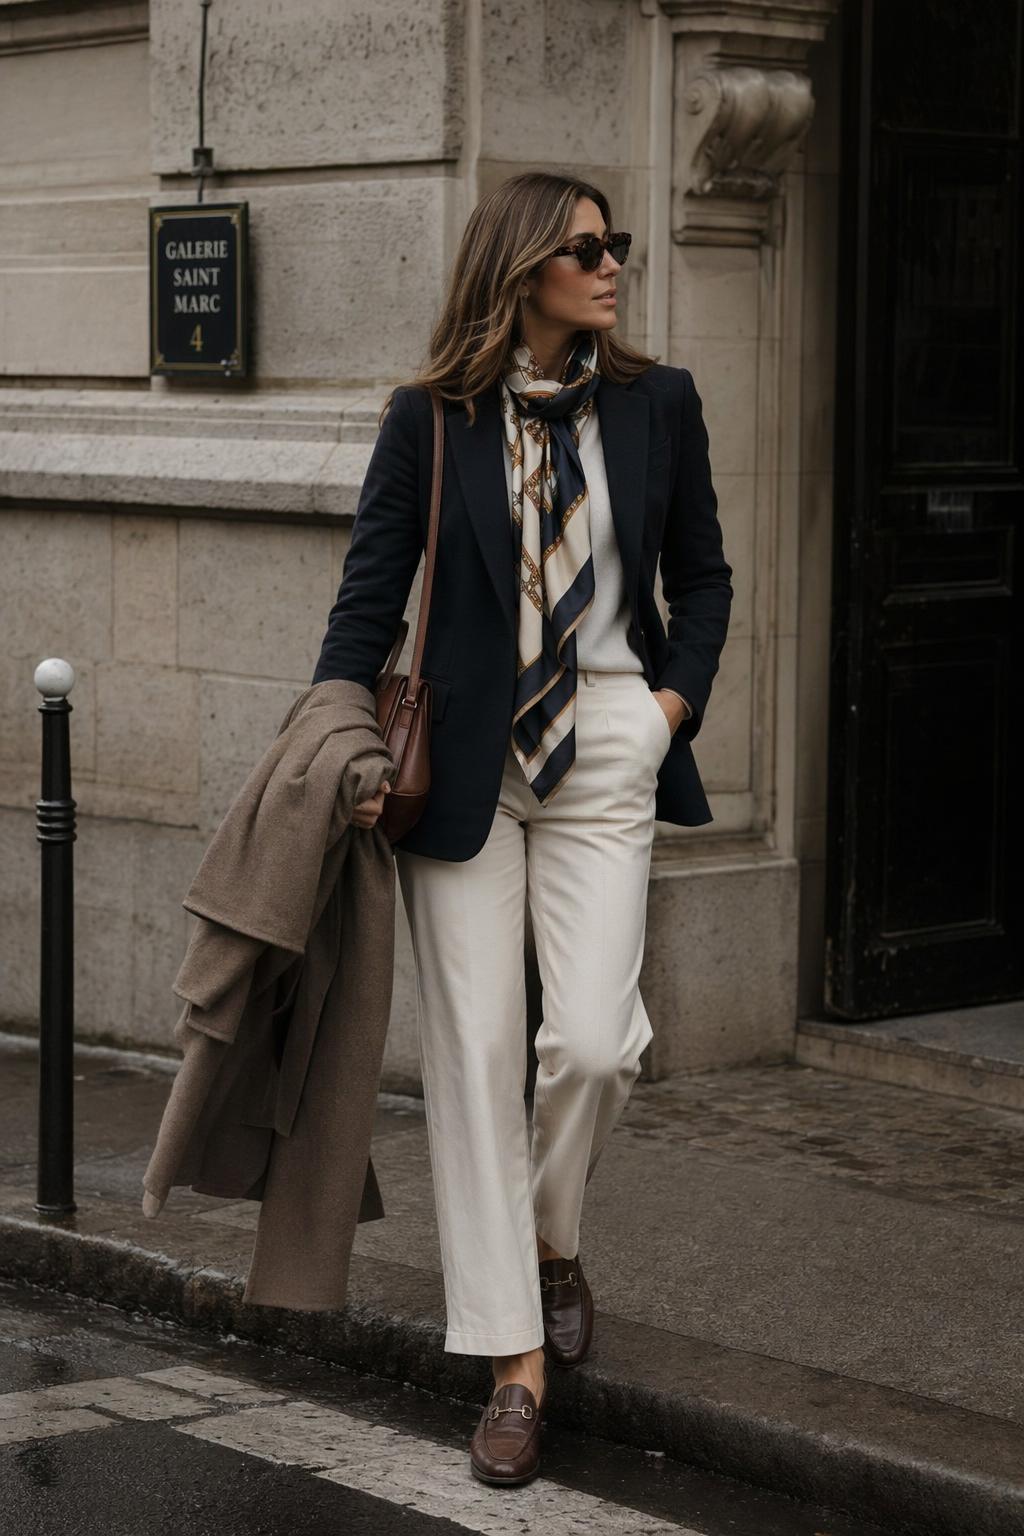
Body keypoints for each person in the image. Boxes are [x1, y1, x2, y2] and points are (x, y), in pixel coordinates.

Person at [311, 170, 733, 1484]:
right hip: (469, 771)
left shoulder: (658, 406)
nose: (614, 269)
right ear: (522, 273)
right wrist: (343, 745)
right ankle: (512, 1363)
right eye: (588, 251)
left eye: (619, 249)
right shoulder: (430, 421)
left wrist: (668, 707)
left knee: (594, 1046)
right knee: (479, 1056)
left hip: (608, 738)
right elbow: (367, 600)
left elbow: (705, 575)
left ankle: (553, 1242)